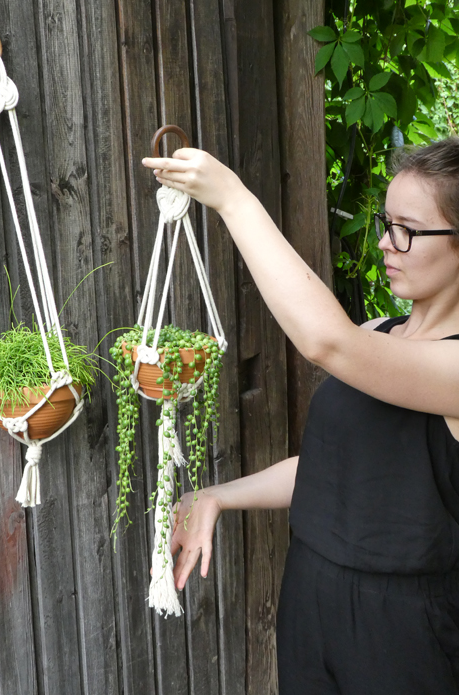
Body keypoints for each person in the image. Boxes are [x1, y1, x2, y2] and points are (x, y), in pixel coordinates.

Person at [142, 137, 459, 695]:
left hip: (404, 627)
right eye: (386, 224)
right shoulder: (376, 334)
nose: (385, 243)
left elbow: (326, 342)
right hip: (310, 596)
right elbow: (329, 467)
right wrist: (216, 495)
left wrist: (233, 198)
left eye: (407, 230)